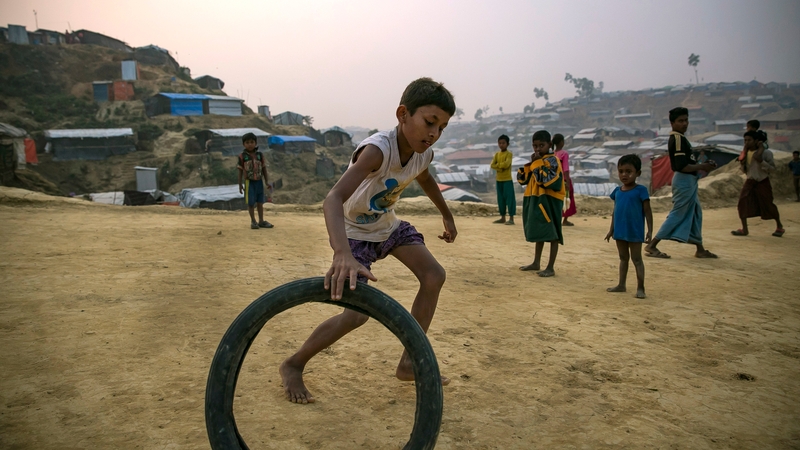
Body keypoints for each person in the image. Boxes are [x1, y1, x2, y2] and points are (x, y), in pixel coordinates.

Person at [280, 77, 458, 404]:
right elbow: (333, 198)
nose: (434, 134)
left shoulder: (423, 154)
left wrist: (446, 214)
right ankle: (294, 363)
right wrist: (342, 254)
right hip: (353, 233)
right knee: (356, 314)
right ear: (403, 114)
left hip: (386, 226)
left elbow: (427, 181)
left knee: (434, 276)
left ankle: (409, 361)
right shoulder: (378, 150)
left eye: (442, 128)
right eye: (429, 122)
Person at [645, 107, 718, 259]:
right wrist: (702, 166)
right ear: (672, 123)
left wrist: (702, 165)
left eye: (686, 120)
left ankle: (700, 248)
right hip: (684, 180)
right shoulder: (677, 139)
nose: (684, 124)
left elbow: (687, 162)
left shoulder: (681, 139)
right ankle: (652, 245)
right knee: (678, 213)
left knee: (695, 212)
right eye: (680, 121)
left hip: (689, 180)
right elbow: (680, 166)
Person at [517, 130, 565, 277]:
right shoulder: (537, 162)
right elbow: (521, 179)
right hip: (536, 200)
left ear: (550, 145)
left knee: (552, 233)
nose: (538, 149)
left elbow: (546, 180)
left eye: (541, 145)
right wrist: (532, 163)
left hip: (550, 201)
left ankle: (550, 267)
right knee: (540, 231)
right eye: (535, 146)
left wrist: (536, 164)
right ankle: (536, 262)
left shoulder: (553, 161)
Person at [605, 154, 653, 299]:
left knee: (637, 259)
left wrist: (650, 230)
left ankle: (640, 287)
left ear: (638, 173)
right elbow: (615, 211)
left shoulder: (641, 191)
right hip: (620, 231)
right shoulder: (617, 192)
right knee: (623, 258)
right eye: (621, 171)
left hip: (635, 231)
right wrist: (611, 229)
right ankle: (621, 285)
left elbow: (647, 211)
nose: (624, 174)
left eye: (628, 171)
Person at [732, 130, 784, 237]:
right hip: (750, 181)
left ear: (756, 141)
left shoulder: (766, 153)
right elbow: (745, 170)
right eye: (745, 140)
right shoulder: (745, 154)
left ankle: (779, 226)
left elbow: (772, 169)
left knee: (768, 204)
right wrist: (742, 163)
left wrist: (761, 161)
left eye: (749, 140)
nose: (746, 143)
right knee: (742, 203)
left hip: (762, 181)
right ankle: (744, 229)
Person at [237, 132, 273, 229]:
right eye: (247, 142)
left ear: (256, 143)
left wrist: (266, 181)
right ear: (243, 144)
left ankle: (261, 221)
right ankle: (253, 221)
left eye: (252, 142)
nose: (250, 144)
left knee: (260, 202)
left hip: (259, 181)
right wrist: (240, 185)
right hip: (249, 182)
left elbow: (264, 168)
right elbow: (240, 171)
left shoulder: (259, 155)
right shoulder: (242, 156)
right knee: (251, 203)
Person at [490, 134, 516, 225]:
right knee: (501, 199)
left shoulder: (509, 154)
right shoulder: (497, 154)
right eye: (500, 143)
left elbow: (506, 164)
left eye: (503, 143)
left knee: (510, 199)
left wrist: (498, 167)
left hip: (507, 179)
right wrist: (500, 167)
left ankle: (511, 218)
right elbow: (492, 165)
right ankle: (502, 217)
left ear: (507, 144)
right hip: (499, 180)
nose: (501, 145)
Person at [553, 133, 577, 226]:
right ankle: (565, 219)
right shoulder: (564, 154)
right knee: (568, 197)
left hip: (555, 179)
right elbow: (566, 169)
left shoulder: (553, 153)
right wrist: (567, 181)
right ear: (562, 142)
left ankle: (557, 218)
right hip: (563, 179)